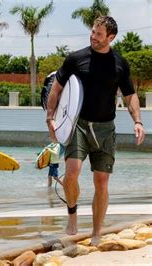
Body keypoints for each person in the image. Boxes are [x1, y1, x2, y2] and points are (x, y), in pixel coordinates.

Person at [46, 16, 145, 246]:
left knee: (101, 182)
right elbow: (57, 88)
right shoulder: (76, 59)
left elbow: (130, 95)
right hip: (79, 124)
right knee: (72, 172)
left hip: (105, 129)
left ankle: (96, 233)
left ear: (111, 37)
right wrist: (50, 118)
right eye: (93, 31)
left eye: (99, 35)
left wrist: (138, 121)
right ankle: (72, 213)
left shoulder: (119, 63)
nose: (93, 37)